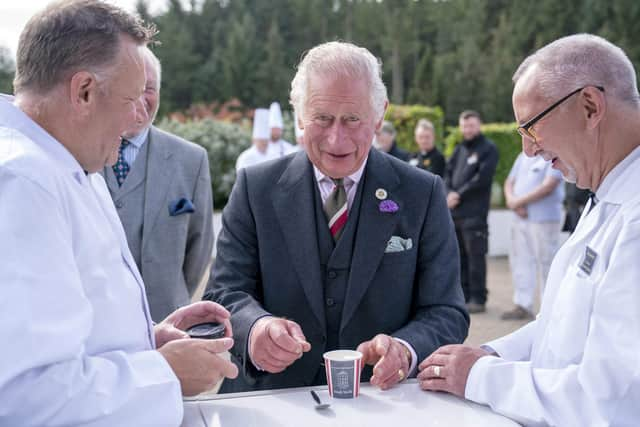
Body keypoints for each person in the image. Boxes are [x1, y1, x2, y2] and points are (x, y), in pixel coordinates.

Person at [0, 1, 237, 425]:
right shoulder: (22, 183)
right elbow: (27, 395)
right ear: (84, 91)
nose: (137, 118)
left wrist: (146, 338)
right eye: (131, 99)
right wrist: (164, 371)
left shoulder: (68, 161)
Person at [205, 41, 469, 393]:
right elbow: (224, 292)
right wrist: (255, 329)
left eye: (352, 119)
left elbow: (446, 310)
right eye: (322, 118)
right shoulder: (256, 188)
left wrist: (405, 349)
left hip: (381, 401)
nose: (336, 138)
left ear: (380, 115)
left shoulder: (422, 193)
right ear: (298, 115)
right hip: (269, 397)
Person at [418, 34, 640, 426]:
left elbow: (611, 400)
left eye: (532, 128)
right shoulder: (607, 194)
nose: (528, 151)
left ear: (590, 105)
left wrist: (480, 376)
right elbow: (561, 326)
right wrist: (487, 355)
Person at [103, 47, 214, 321]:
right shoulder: (80, 153)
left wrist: (171, 297)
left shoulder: (192, 159)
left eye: (149, 88)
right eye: (132, 87)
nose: (140, 98)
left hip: (168, 321)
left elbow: (200, 246)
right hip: (96, 322)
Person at [444, 110, 499, 313]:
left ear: (479, 125)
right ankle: (464, 297)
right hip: (455, 214)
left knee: (476, 257)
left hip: (475, 215)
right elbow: (447, 174)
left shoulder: (488, 149)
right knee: (459, 258)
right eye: (465, 126)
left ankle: (478, 298)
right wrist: (448, 192)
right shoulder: (458, 150)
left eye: (472, 125)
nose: (468, 129)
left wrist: (459, 195)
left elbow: (482, 179)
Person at [502, 152, 564, 320]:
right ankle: (522, 305)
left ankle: (549, 310)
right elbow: (509, 182)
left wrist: (519, 202)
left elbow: (549, 185)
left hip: (543, 218)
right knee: (520, 261)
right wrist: (513, 201)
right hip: (520, 217)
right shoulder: (522, 156)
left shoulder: (553, 153)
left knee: (547, 263)